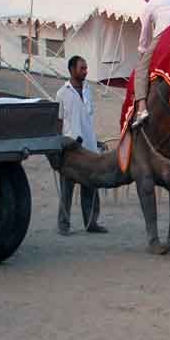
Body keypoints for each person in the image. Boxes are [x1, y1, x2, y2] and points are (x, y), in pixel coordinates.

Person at [55, 55, 106, 235]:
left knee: (91, 187)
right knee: (67, 189)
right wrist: (58, 146)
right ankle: (64, 225)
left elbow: (89, 119)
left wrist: (96, 142)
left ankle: (91, 223)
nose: (85, 71)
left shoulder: (88, 90)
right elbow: (59, 122)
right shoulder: (62, 93)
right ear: (72, 70)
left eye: (86, 68)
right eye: (82, 68)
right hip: (70, 149)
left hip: (89, 148)